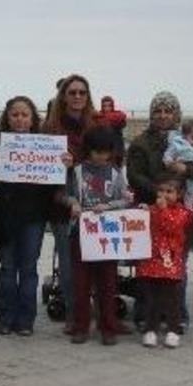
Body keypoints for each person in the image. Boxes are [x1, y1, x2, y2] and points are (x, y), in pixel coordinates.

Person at [126, 91, 193, 330]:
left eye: (168, 111)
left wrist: (185, 171)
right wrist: (162, 192)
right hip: (150, 212)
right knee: (147, 267)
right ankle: (145, 315)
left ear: (176, 114)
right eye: (158, 111)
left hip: (180, 212)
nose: (162, 115)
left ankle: (177, 315)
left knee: (177, 265)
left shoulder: (187, 139)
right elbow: (134, 175)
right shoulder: (140, 142)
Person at [0, 97, 50, 336]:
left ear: (33, 119)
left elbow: (53, 184)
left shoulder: (45, 145)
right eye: (15, 114)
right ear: (6, 118)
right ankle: (5, 317)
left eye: (24, 115)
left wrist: (63, 164)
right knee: (7, 268)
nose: (20, 119)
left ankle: (26, 319)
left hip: (34, 217)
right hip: (5, 216)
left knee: (29, 268)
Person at [65, 125, 130, 345]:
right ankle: (81, 326)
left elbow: (125, 199)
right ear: (88, 150)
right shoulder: (77, 171)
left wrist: (109, 206)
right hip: (81, 233)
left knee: (108, 284)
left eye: (105, 151)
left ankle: (108, 327)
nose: (101, 156)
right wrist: (73, 203)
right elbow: (68, 195)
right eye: (97, 151)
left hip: (107, 235)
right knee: (81, 284)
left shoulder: (115, 172)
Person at [39, 75, 94, 323]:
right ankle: (75, 312)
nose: (77, 97)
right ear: (63, 95)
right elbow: (40, 169)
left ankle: (91, 305)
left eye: (82, 92)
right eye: (72, 92)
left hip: (93, 201)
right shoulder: (49, 129)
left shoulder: (95, 126)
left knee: (93, 258)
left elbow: (107, 159)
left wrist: (78, 162)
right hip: (61, 201)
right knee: (68, 260)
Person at [136, 174, 193, 349]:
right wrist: (142, 211)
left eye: (169, 191)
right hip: (151, 261)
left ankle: (173, 330)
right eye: (161, 191)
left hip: (169, 262)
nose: (164, 195)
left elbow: (172, 226)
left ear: (179, 194)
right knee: (152, 299)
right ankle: (150, 329)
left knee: (172, 299)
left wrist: (161, 210)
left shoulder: (183, 213)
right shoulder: (152, 209)